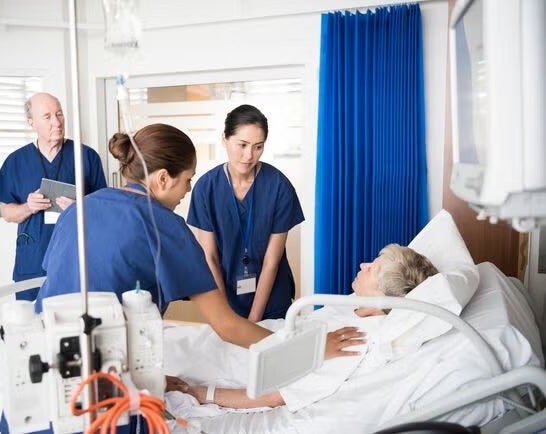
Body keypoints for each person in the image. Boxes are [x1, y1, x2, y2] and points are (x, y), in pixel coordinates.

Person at [35, 122, 363, 433]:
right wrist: (312, 348)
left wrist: (153, 376)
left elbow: (75, 290)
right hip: (97, 392)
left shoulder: (79, 209)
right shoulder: (163, 225)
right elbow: (227, 326)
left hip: (40, 368)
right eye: (187, 180)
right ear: (162, 178)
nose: (188, 190)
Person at [166, 244, 438, 410]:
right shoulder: (353, 307)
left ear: (381, 296)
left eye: (372, 268)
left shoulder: (354, 341)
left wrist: (203, 393)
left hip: (236, 364)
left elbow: (275, 397)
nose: (362, 264)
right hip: (239, 341)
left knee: (149, 364)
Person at [187, 104, 304, 322]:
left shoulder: (279, 186)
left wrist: (253, 320)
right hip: (225, 295)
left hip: (271, 301)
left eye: (258, 147)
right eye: (242, 145)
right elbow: (210, 257)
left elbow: (272, 260)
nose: (249, 155)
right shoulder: (206, 188)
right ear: (225, 139)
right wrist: (226, 317)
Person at [0, 92, 107, 301]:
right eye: (47, 117)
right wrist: (28, 206)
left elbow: (104, 214)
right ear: (31, 122)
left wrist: (80, 207)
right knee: (31, 324)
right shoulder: (15, 162)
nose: (57, 122)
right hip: (33, 260)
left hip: (76, 259)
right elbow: (7, 213)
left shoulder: (87, 157)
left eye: (59, 114)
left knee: (76, 324)